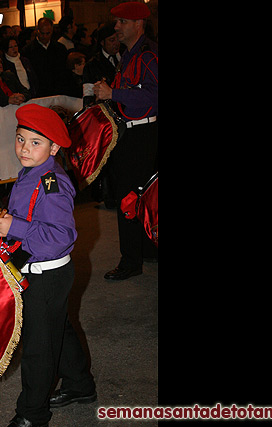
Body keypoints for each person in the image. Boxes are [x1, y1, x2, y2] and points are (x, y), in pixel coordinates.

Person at [0, 104, 96, 427]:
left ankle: (32, 414)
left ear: (54, 147)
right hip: (37, 268)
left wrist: (16, 229)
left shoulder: (53, 184)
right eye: (20, 139)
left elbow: (62, 236)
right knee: (56, 329)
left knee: (37, 346)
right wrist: (10, 227)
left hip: (48, 274)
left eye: (36, 142)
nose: (24, 148)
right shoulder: (30, 173)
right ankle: (80, 384)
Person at [93, 1, 158, 281]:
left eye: (121, 22)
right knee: (138, 196)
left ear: (137, 24)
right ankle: (143, 251)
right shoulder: (130, 55)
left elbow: (154, 97)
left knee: (130, 198)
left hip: (142, 135)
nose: (116, 27)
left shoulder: (148, 56)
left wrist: (113, 94)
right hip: (132, 133)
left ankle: (131, 260)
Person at [21, 17, 68, 97]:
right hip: (39, 92)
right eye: (42, 33)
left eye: (48, 33)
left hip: (59, 90)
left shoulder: (60, 48)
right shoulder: (27, 50)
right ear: (37, 31)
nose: (45, 36)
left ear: (52, 31)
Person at [82, 21, 121, 106]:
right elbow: (88, 98)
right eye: (112, 40)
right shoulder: (92, 65)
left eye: (118, 38)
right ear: (102, 43)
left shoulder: (126, 56)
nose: (116, 43)